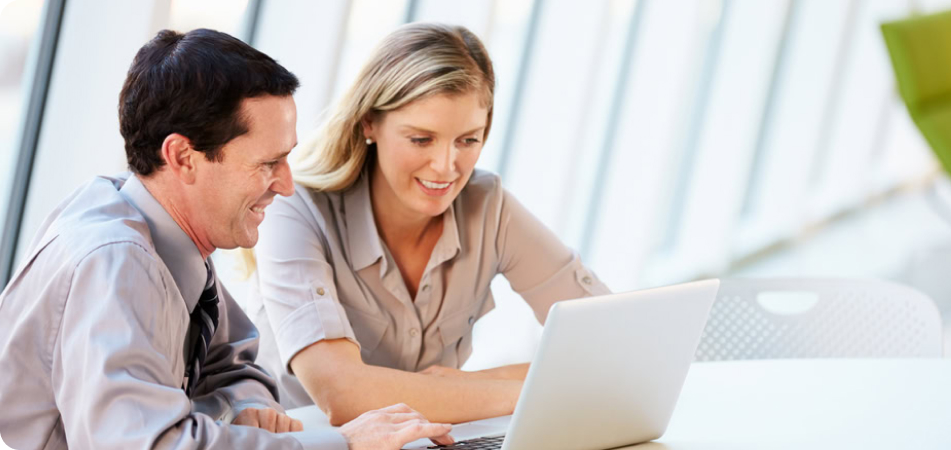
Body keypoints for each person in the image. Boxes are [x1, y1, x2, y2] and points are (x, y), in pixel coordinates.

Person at [0, 28, 453, 450]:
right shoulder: (115, 263)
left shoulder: (160, 230)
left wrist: (245, 406)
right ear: (183, 157)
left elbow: (231, 361)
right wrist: (341, 444)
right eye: (267, 163)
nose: (286, 185)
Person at [247, 23, 611, 426]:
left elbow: (609, 340)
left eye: (468, 140)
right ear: (369, 122)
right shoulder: (295, 209)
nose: (446, 166)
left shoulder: (488, 207)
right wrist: (526, 391)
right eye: (421, 139)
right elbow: (342, 394)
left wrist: (466, 387)